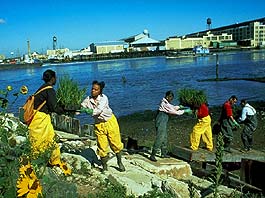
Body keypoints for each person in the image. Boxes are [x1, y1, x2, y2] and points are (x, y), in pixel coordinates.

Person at [29, 69, 71, 175]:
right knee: (48, 139)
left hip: (36, 118)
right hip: (41, 118)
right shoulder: (50, 90)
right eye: (55, 77)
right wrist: (64, 109)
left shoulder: (42, 88)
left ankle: (38, 161)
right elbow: (54, 108)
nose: (56, 79)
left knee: (37, 140)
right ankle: (52, 161)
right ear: (52, 78)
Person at [81, 80, 125, 172]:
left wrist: (88, 111)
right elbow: (82, 106)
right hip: (99, 124)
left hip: (110, 122)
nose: (93, 91)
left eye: (96, 89)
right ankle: (104, 167)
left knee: (115, 143)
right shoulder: (88, 99)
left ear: (100, 91)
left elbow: (98, 110)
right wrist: (78, 109)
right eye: (92, 89)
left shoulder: (104, 98)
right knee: (102, 146)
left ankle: (119, 162)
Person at [149, 90, 191, 162]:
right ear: (168, 97)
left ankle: (164, 153)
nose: (172, 99)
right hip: (161, 119)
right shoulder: (164, 103)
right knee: (160, 137)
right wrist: (185, 111)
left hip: (164, 119)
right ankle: (153, 155)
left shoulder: (166, 102)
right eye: (171, 98)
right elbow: (173, 112)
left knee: (164, 136)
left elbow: (172, 107)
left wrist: (179, 107)